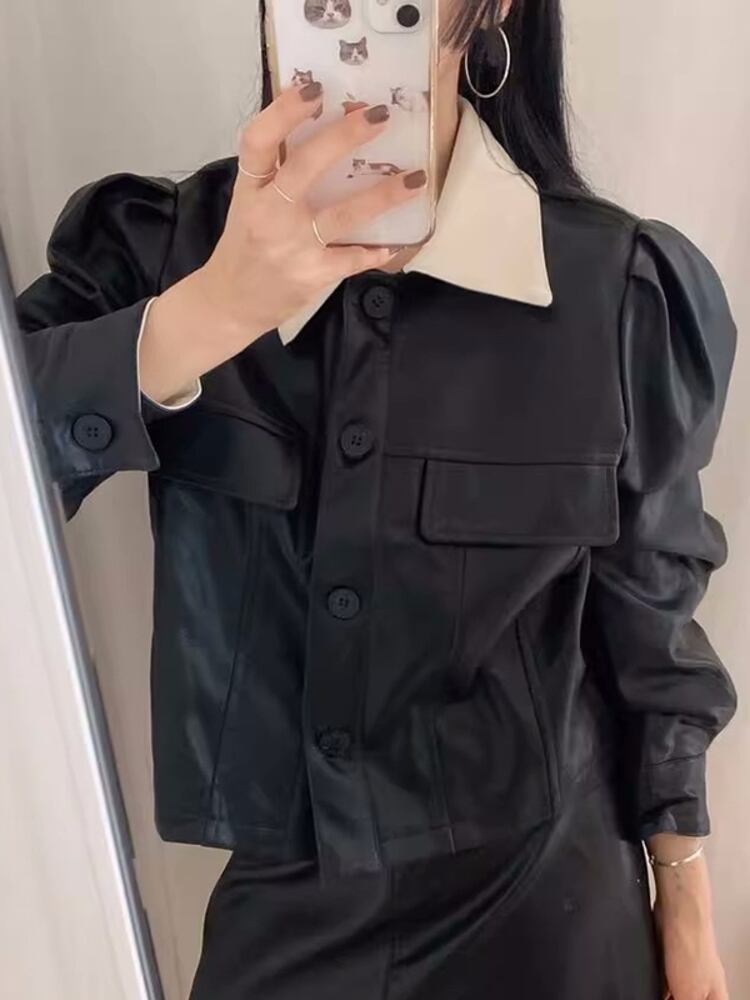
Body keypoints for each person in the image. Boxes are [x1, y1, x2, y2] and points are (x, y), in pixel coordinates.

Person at [14, 0, 737, 997]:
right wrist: (207, 314)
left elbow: (650, 621)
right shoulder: (161, 248)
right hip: (288, 921)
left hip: (552, 915)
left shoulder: (616, 288)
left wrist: (687, 910)